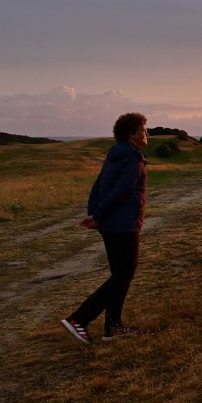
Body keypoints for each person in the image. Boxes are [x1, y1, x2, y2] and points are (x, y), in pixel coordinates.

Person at [61, 112, 149, 345]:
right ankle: (79, 319)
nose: (146, 134)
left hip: (111, 225)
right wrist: (97, 215)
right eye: (143, 130)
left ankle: (113, 327)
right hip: (124, 225)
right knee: (124, 275)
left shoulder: (114, 155)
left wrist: (96, 215)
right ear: (132, 134)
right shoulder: (132, 158)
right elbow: (121, 190)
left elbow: (98, 187)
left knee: (120, 276)